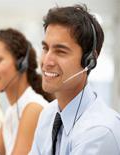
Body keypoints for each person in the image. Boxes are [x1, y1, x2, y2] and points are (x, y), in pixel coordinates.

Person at [29, 4, 120, 155]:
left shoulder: (100, 132)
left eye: (60, 51)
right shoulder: (48, 115)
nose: (46, 61)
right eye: (45, 48)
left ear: (89, 60)